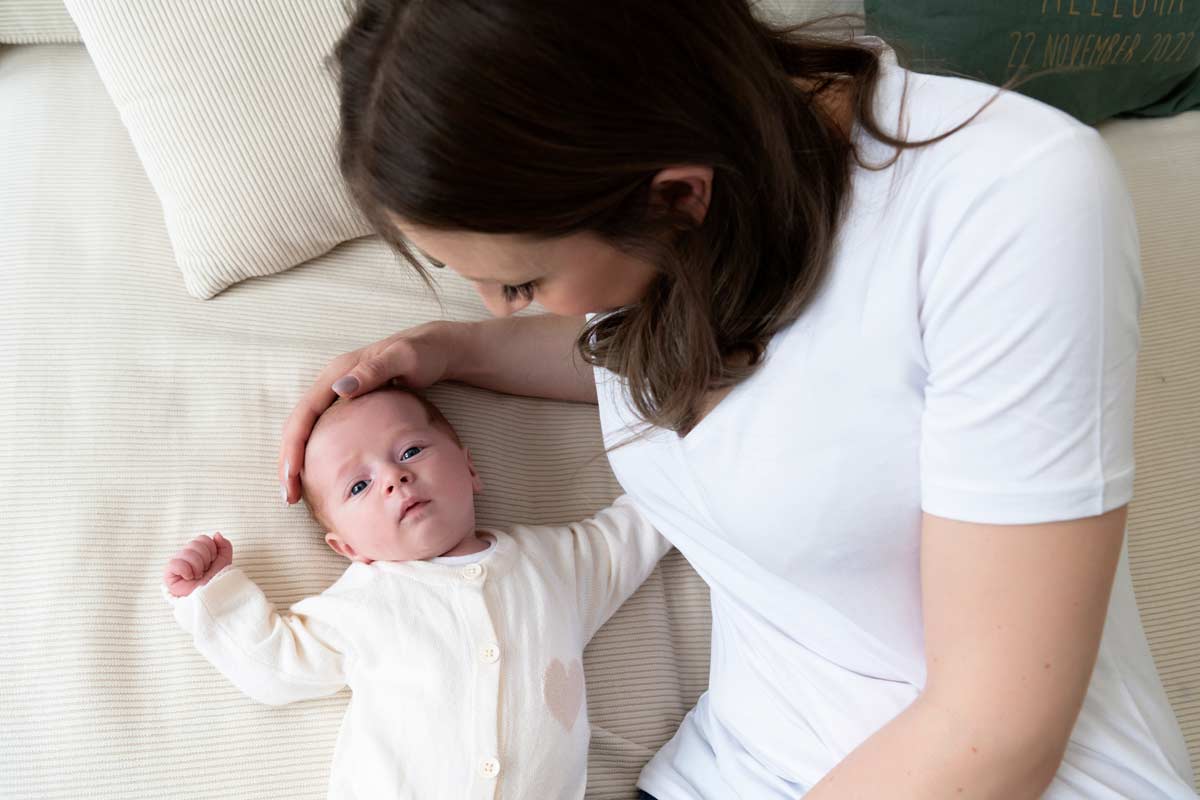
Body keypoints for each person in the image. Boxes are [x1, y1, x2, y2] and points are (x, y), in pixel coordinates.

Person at [280, 2, 1197, 798]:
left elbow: (998, 734)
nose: (502, 305)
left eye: (520, 284)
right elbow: (692, 354)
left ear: (676, 198)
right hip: (728, 772)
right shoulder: (697, 218)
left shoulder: (1008, 204)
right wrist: (440, 353)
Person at [165, 386, 671, 799]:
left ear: (470, 469)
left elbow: (647, 521)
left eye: (410, 451)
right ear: (347, 547)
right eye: (358, 486)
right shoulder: (363, 601)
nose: (394, 476)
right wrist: (213, 595)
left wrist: (690, 452)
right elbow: (276, 664)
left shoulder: (555, 564)